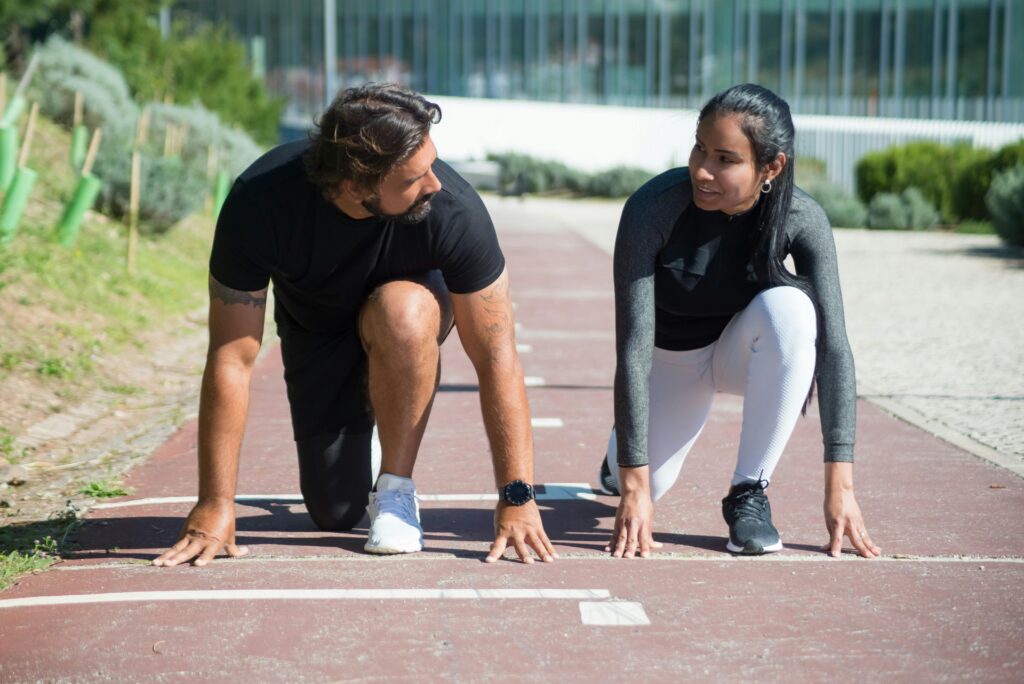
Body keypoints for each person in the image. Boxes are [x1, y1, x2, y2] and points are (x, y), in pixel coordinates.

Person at [153, 83, 555, 567]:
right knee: (335, 511)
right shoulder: (260, 203)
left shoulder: (452, 209)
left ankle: (395, 489)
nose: (434, 184)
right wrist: (216, 503)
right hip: (316, 333)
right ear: (356, 186)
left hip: (407, 318)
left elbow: (496, 354)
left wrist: (517, 496)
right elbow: (232, 356)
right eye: (414, 178)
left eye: (431, 163)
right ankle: (368, 419)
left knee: (400, 310)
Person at [601, 83, 881, 560]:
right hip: (672, 360)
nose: (703, 171)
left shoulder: (802, 218)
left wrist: (842, 483)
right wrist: (633, 482)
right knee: (653, 483)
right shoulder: (653, 208)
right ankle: (614, 455)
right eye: (699, 149)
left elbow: (835, 348)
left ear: (771, 167)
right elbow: (632, 347)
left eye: (725, 159)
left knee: (792, 309)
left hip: (738, 350)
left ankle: (749, 494)